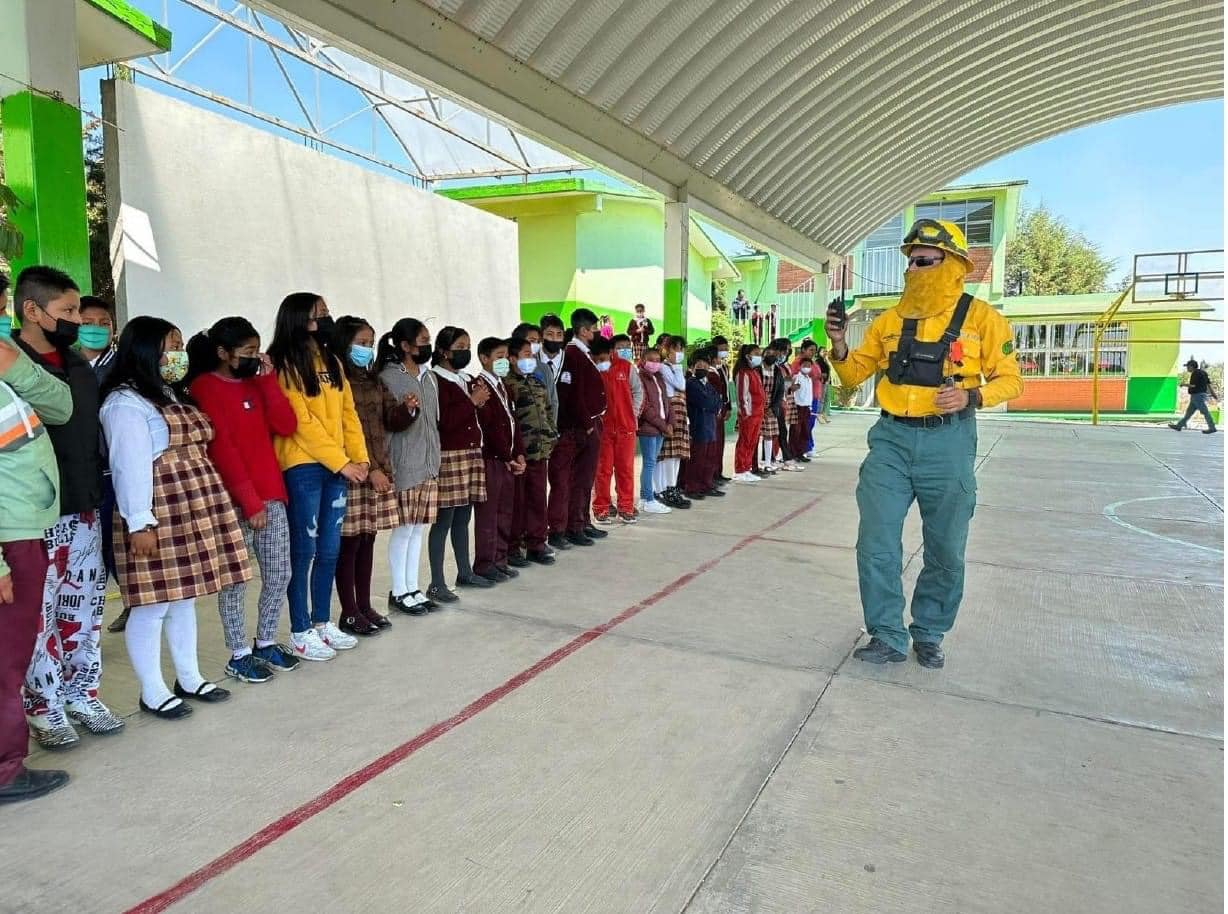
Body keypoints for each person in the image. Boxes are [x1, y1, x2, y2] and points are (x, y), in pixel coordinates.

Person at [826, 218, 1023, 668]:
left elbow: (1012, 381)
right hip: (891, 440)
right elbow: (854, 374)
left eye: (924, 261)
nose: (913, 269)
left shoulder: (983, 318)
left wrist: (972, 395)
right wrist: (838, 344)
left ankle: (930, 630)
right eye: (910, 262)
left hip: (948, 443)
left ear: (952, 264)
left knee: (946, 547)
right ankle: (887, 635)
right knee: (876, 539)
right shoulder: (890, 320)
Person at [101, 316, 238, 718]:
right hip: (159, 509)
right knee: (152, 604)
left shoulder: (169, 393)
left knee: (184, 598)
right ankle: (152, 690)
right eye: (170, 345)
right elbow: (130, 466)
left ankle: (189, 677)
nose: (178, 354)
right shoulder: (124, 403)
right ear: (145, 350)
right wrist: (139, 522)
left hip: (191, 504)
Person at [12, 267, 122, 748]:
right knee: (40, 613)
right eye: (68, 311)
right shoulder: (10, 362)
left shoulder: (77, 363)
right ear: (31, 311)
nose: (79, 319)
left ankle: (82, 693)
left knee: (84, 607)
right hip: (32, 513)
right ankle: (45, 705)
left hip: (82, 504)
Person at [187, 317, 301, 683]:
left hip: (271, 492)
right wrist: (249, 501)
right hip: (234, 498)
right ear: (223, 353)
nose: (255, 357)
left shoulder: (256, 383)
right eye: (247, 352)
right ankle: (238, 653)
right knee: (235, 579)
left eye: (257, 350)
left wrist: (267, 381)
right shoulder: (206, 386)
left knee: (279, 572)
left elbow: (285, 425)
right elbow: (223, 447)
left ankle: (266, 641)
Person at [268, 293, 368, 661]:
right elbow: (300, 423)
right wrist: (342, 463)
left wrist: (360, 459)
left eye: (326, 314)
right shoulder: (284, 363)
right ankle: (299, 629)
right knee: (304, 550)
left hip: (339, 466)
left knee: (330, 549)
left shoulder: (332, 361)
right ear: (297, 319)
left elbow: (348, 412)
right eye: (317, 315)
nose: (325, 321)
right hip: (304, 466)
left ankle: (323, 621)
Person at [0, 334, 72, 802]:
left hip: (21, 527)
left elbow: (62, 407)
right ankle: (5, 772)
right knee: (5, 663)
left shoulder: (8, 360)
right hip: (8, 540)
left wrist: (14, 364)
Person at [332, 316, 402, 634]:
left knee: (367, 539)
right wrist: (370, 468)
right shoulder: (338, 381)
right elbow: (346, 431)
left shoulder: (372, 379)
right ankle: (348, 610)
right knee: (349, 544)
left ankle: (364, 605)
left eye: (370, 344)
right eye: (361, 343)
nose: (367, 349)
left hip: (376, 469)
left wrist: (408, 410)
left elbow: (390, 418)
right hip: (353, 471)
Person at [376, 318, 441, 614]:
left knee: (418, 529)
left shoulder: (428, 377)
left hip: (428, 464)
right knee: (403, 529)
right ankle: (399, 590)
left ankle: (413, 587)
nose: (427, 345)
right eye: (422, 340)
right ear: (405, 346)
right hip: (405, 464)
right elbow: (390, 422)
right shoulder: (390, 378)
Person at [428, 326, 491, 600]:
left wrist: (479, 399)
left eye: (468, 345)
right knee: (445, 519)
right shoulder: (436, 381)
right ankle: (436, 581)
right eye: (460, 346)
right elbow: (444, 422)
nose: (465, 351)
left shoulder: (465, 379)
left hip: (471, 453)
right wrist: (472, 402)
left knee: (464, 517)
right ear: (443, 351)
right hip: (449, 455)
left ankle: (464, 571)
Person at [549, 309, 608, 548]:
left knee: (586, 478)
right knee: (574, 479)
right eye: (594, 330)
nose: (596, 334)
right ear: (584, 331)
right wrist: (587, 425)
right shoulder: (572, 354)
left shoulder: (583, 354)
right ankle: (569, 526)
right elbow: (574, 394)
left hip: (591, 423)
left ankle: (582, 521)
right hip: (581, 426)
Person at [470, 337, 525, 581]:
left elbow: (513, 421)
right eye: (499, 356)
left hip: (508, 459)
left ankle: (500, 558)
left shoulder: (503, 385)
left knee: (505, 511)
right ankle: (485, 562)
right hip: (492, 459)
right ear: (484, 358)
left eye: (505, 356)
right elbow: (489, 426)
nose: (503, 361)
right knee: (488, 514)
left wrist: (519, 452)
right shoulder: (479, 385)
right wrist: (506, 455)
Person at [504, 335, 558, 565]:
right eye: (526, 355)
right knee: (517, 502)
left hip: (540, 451)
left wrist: (551, 435)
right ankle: (513, 547)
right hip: (520, 453)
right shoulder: (507, 385)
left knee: (538, 498)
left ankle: (537, 543)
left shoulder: (536, 382)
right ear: (512, 358)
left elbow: (547, 411)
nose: (531, 358)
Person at [593, 334, 640, 525]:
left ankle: (626, 507)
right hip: (603, 430)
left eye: (604, 357)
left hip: (626, 429)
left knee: (625, 470)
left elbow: (638, 391)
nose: (601, 361)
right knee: (603, 471)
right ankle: (601, 508)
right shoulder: (595, 368)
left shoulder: (627, 367)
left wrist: (632, 414)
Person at [682, 347, 725, 500]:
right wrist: (713, 404)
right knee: (697, 459)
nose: (702, 368)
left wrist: (714, 404)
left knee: (709, 458)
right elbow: (706, 402)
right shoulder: (691, 383)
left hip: (710, 427)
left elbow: (718, 401)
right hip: (698, 427)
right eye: (698, 366)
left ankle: (706, 484)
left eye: (705, 366)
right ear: (692, 367)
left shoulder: (707, 385)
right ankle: (692, 487)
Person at [655, 334, 692, 509]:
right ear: (666, 350)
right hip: (670, 409)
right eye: (676, 349)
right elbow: (680, 385)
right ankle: (666, 489)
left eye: (681, 349)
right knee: (668, 453)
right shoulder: (664, 367)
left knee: (678, 453)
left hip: (680, 409)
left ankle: (672, 487)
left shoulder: (676, 367)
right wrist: (677, 368)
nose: (679, 352)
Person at [636, 346, 673, 514]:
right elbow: (646, 407)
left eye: (658, 360)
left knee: (652, 462)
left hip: (661, 428)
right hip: (649, 428)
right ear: (643, 360)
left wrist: (671, 422)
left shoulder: (659, 378)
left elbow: (666, 401)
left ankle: (645, 498)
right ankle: (648, 499)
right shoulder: (640, 378)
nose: (655, 363)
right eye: (651, 360)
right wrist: (663, 426)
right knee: (649, 463)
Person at [733, 345, 764, 483]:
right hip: (749, 414)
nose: (759, 356)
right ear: (747, 355)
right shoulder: (743, 373)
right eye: (756, 353)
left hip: (758, 413)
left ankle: (747, 467)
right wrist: (745, 413)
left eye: (760, 353)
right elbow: (742, 394)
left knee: (752, 441)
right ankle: (740, 469)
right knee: (745, 441)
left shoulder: (755, 372)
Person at [1169, 359, 1219, 434]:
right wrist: (1213, 394)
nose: (1187, 368)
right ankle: (1179, 426)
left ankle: (1212, 428)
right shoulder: (1204, 372)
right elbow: (1208, 385)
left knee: (1205, 412)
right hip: (1199, 395)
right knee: (1189, 413)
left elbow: (1193, 385)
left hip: (1197, 396)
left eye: (1188, 366)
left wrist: (1183, 384)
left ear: (1192, 366)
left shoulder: (1195, 373)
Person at [78, 296, 118, 384]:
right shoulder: (63, 365)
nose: (97, 329)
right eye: (87, 323)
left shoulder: (127, 367)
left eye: (104, 323)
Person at [709, 335, 733, 483]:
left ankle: (718, 471)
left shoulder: (724, 367)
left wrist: (728, 406)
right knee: (713, 442)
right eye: (721, 350)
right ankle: (711, 474)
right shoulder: (710, 369)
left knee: (720, 442)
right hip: (714, 408)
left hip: (723, 406)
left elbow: (726, 389)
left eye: (726, 349)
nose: (724, 352)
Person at [757, 340, 783, 475]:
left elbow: (780, 391)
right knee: (755, 436)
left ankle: (768, 462)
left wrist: (773, 407)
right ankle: (754, 465)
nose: (771, 356)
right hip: (757, 405)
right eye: (768, 353)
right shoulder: (757, 369)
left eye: (774, 354)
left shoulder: (777, 370)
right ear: (763, 355)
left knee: (769, 435)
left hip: (771, 406)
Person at [791, 357, 815, 461]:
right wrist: (795, 386)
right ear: (800, 366)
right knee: (796, 431)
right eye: (804, 365)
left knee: (805, 431)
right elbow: (792, 388)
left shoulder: (809, 379)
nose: (807, 367)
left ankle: (801, 453)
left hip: (806, 407)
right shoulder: (797, 377)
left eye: (809, 366)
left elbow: (809, 394)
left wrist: (810, 407)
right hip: (798, 406)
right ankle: (793, 453)